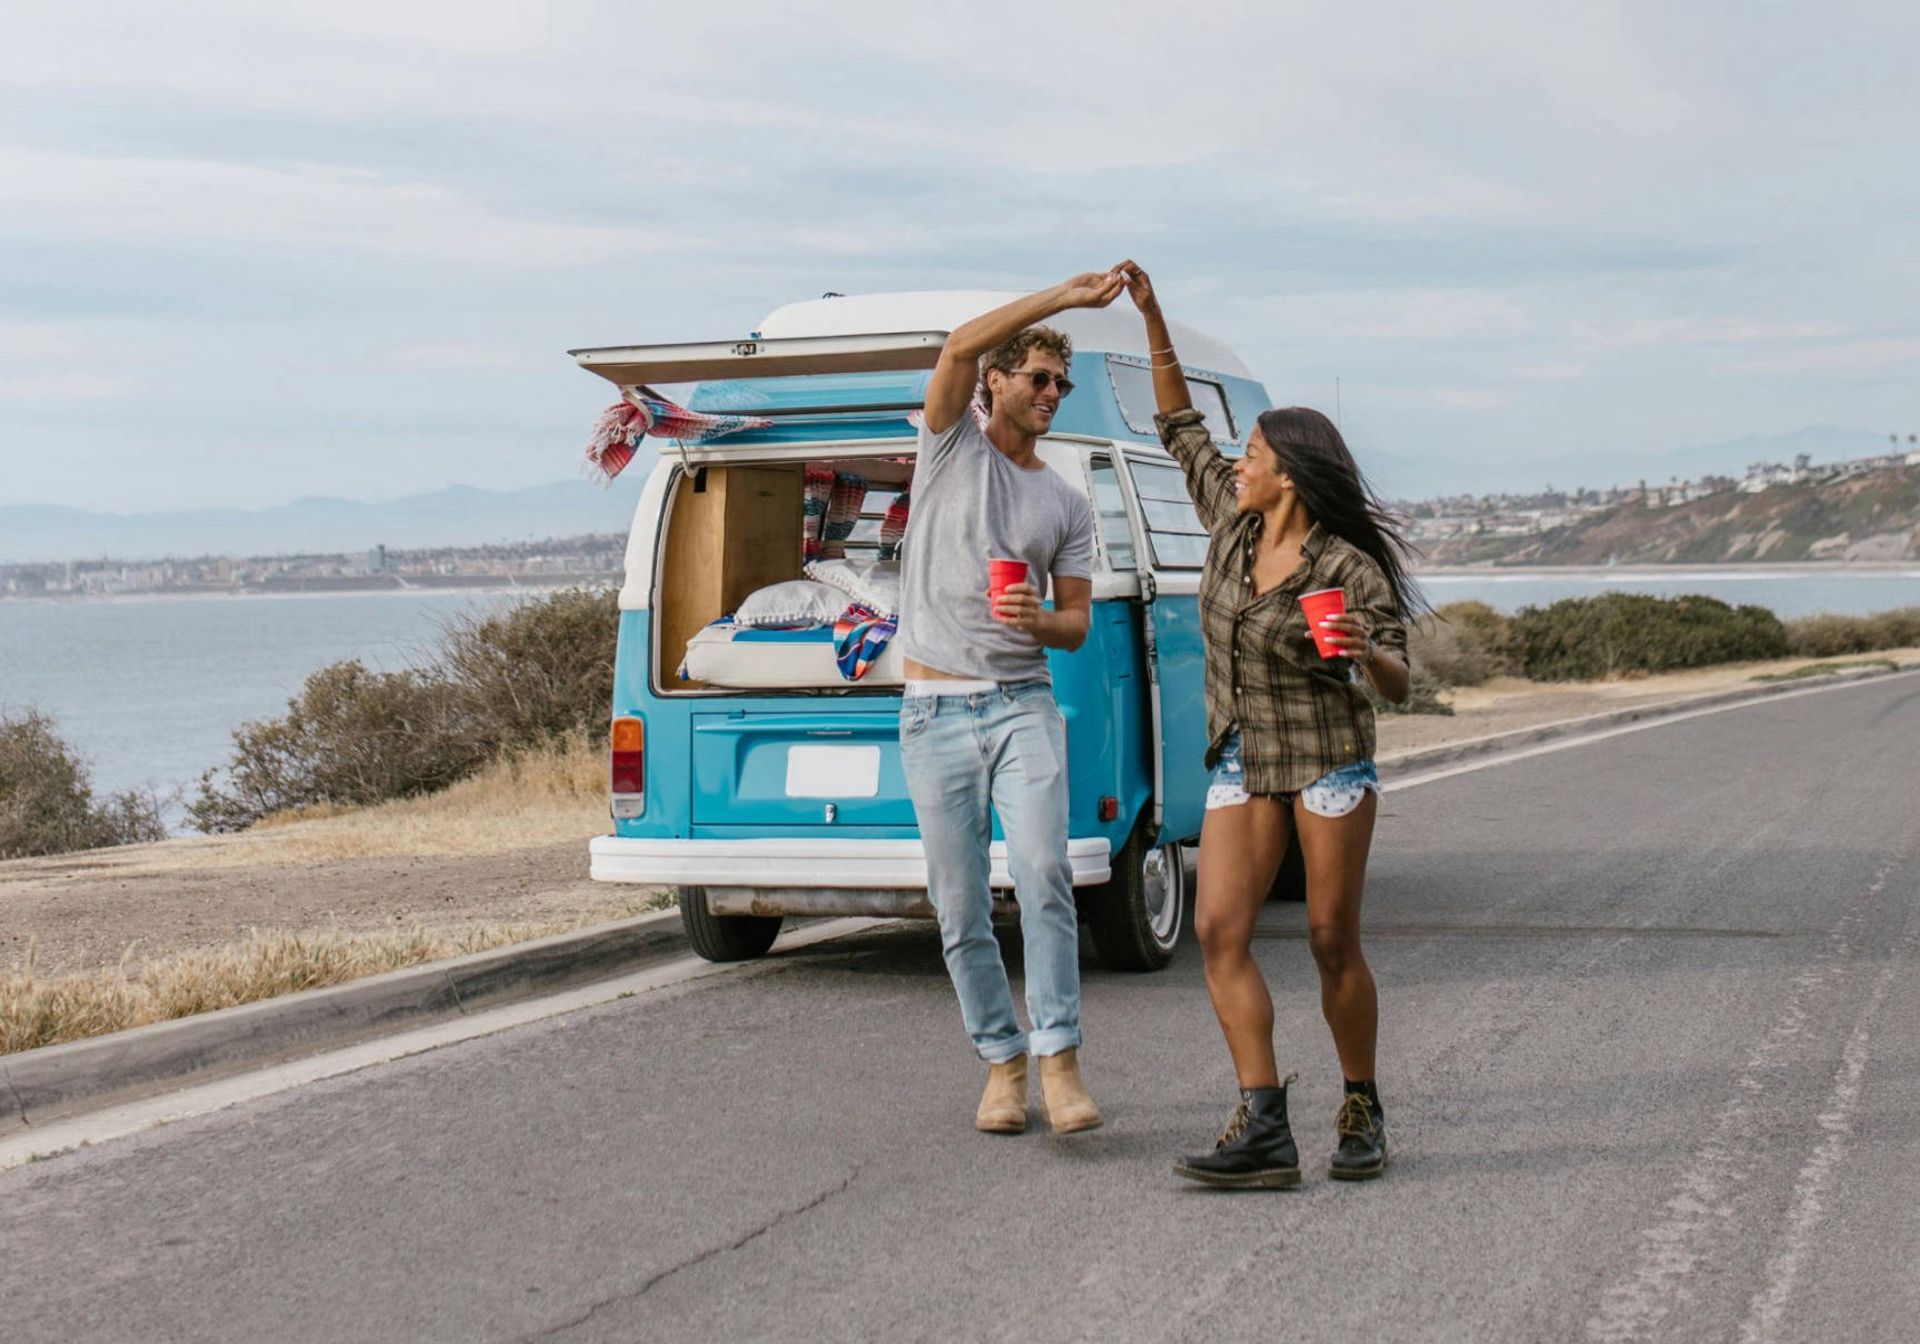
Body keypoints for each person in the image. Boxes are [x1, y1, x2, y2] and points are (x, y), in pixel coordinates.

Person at [1119, 262, 1420, 1185]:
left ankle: (1361, 1103)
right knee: (1218, 933)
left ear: (1285, 472)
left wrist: (1362, 650)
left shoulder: (1345, 565)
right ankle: (1264, 1123)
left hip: (1329, 760)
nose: (1236, 462)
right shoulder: (1228, 529)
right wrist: (1153, 316)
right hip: (1244, 759)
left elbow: (1400, 685)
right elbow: (1178, 427)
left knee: (1332, 939)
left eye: (1250, 453)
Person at [898, 273, 1118, 1136]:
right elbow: (955, 344)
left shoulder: (1064, 501)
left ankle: (1060, 1059)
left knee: (1044, 873)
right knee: (957, 905)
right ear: (997, 381)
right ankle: (1002, 1064)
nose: (1053, 394)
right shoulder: (949, 446)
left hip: (1023, 702)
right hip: (932, 711)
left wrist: (1042, 616)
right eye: (1038, 378)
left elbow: (1075, 624)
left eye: (1061, 383)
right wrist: (1063, 297)